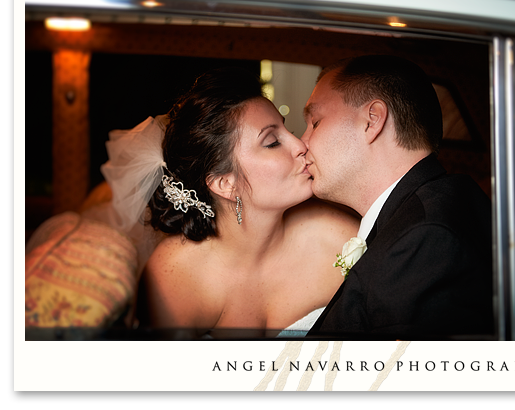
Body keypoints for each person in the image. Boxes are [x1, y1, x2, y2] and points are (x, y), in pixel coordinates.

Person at [102, 67, 359, 337]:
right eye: (272, 142)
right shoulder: (173, 278)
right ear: (225, 183)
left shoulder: (339, 240)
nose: (300, 145)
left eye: (288, 129)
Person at [301, 55, 494, 339]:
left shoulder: (424, 240)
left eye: (315, 122)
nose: (302, 142)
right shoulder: (429, 209)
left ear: (372, 120)